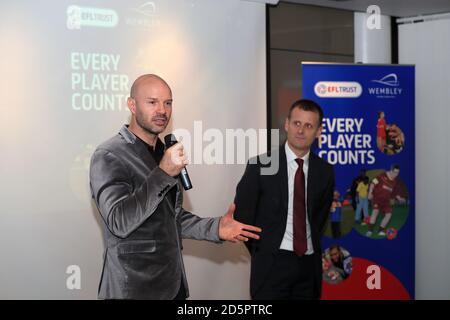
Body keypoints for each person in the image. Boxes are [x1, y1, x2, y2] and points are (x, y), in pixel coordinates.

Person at [89, 74, 261, 300]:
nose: (162, 110)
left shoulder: (164, 152)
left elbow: (172, 218)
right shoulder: (109, 155)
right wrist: (162, 173)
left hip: (172, 286)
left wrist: (216, 228)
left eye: (167, 103)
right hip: (133, 288)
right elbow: (119, 221)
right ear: (132, 105)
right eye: (152, 102)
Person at [234, 99, 334, 300]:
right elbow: (243, 217)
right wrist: (263, 251)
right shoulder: (260, 166)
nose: (301, 130)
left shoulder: (325, 171)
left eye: (308, 125)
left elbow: (319, 219)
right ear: (287, 124)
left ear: (318, 132)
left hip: (308, 267)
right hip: (271, 266)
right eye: (297, 123)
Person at [366, 164, 406, 237]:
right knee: (375, 212)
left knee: (389, 215)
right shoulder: (382, 176)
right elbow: (373, 183)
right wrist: (370, 193)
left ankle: (380, 231)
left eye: (397, 173)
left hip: (386, 201)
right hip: (377, 199)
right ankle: (370, 230)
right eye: (394, 172)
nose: (396, 174)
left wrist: (399, 198)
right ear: (391, 170)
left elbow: (394, 192)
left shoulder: (394, 182)